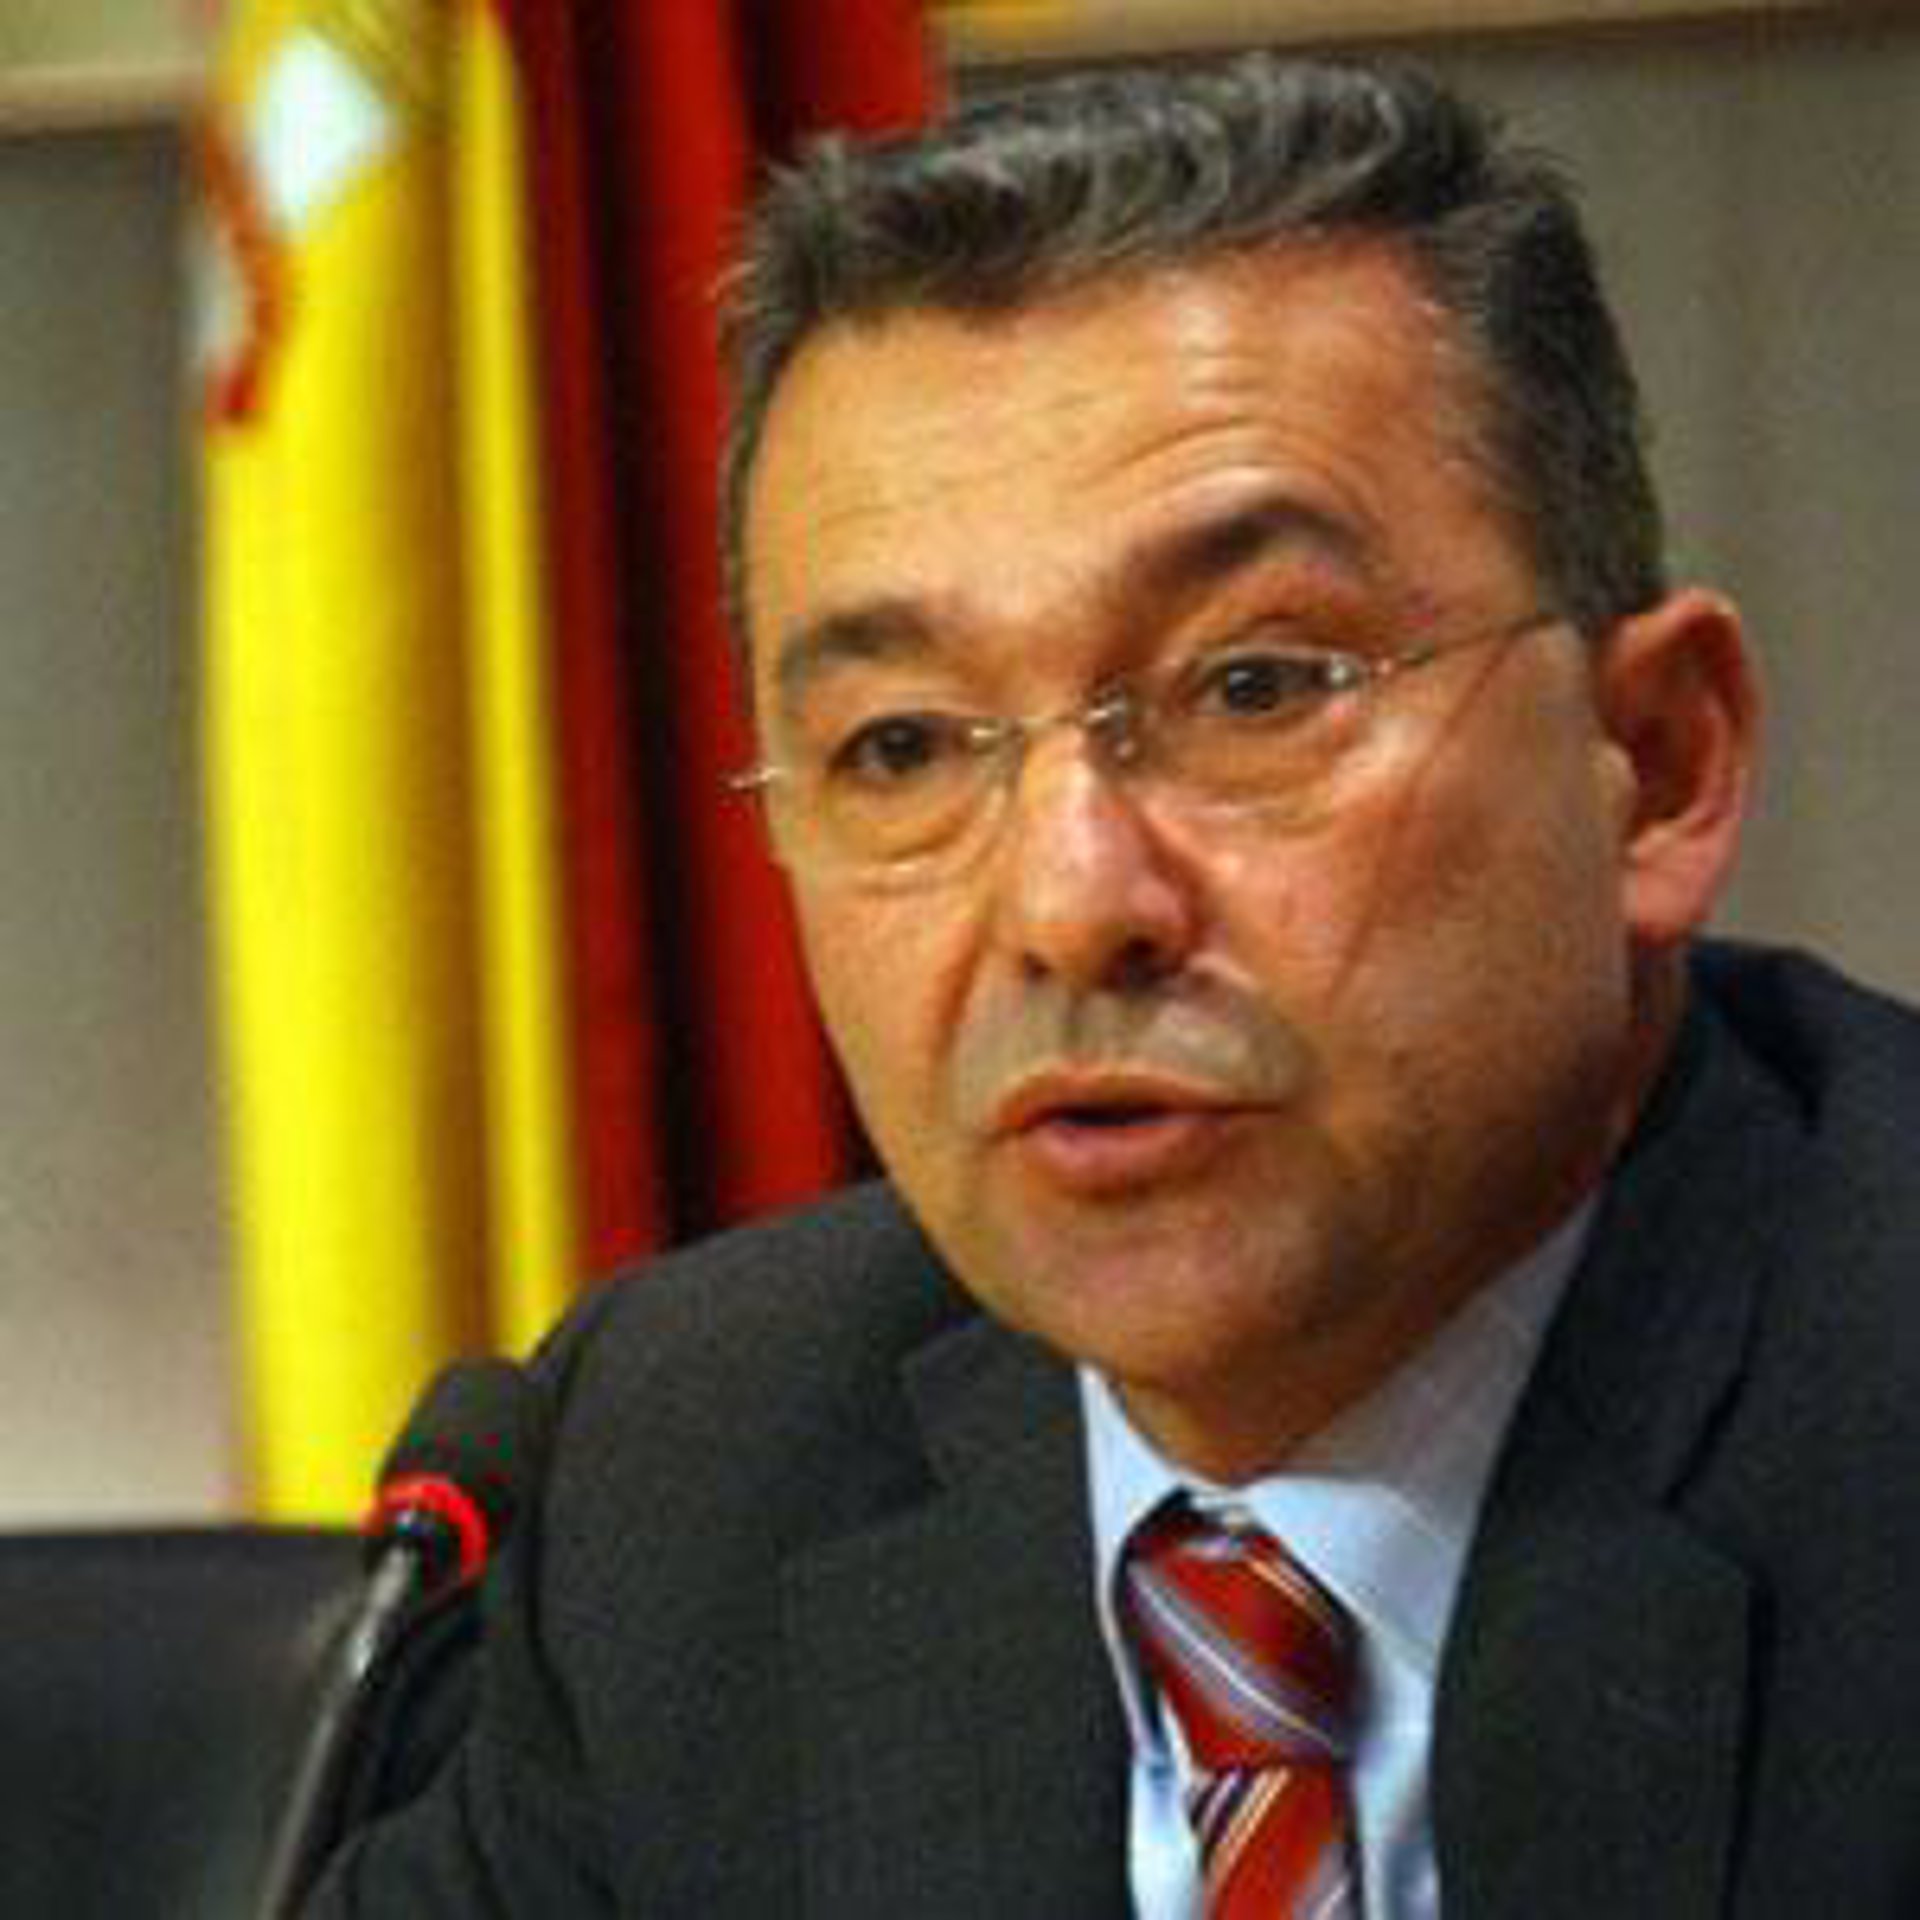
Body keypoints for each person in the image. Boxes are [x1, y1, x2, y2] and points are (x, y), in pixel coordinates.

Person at [309, 52, 1920, 1918]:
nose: (1074, 904)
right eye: (904, 746)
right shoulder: (691, 1473)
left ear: (1656, 762)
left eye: (1255, 687)